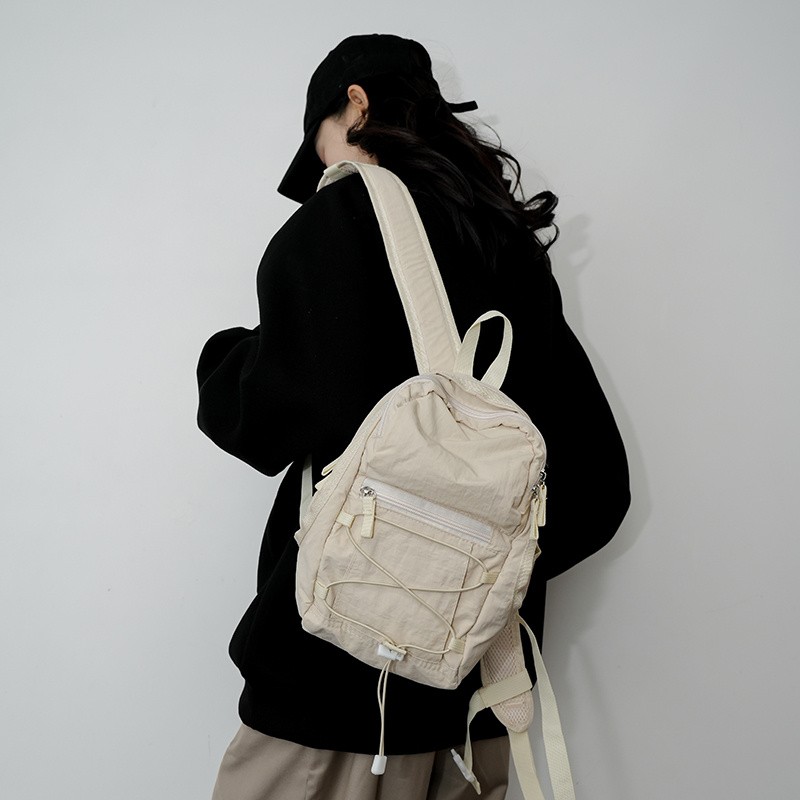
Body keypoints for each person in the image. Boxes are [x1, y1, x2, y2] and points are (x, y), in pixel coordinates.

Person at [197, 33, 630, 800]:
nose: (325, 169)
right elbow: (596, 488)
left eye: (322, 144)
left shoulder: (343, 216)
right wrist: (466, 580)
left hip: (334, 706)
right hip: (476, 709)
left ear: (356, 103)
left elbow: (268, 417)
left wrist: (225, 358)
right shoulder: (508, 245)